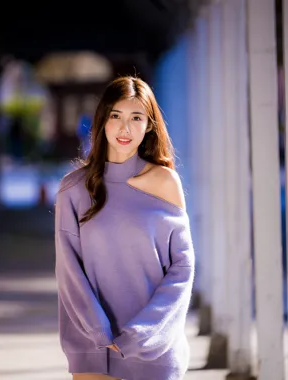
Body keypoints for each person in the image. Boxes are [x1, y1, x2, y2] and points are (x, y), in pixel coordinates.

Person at [54, 76, 195, 380]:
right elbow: (69, 270)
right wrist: (98, 331)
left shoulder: (165, 183)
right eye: (116, 116)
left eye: (136, 118)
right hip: (91, 346)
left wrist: (144, 333)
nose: (124, 128)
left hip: (153, 349)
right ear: (102, 120)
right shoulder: (73, 189)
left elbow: (182, 266)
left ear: (149, 126)